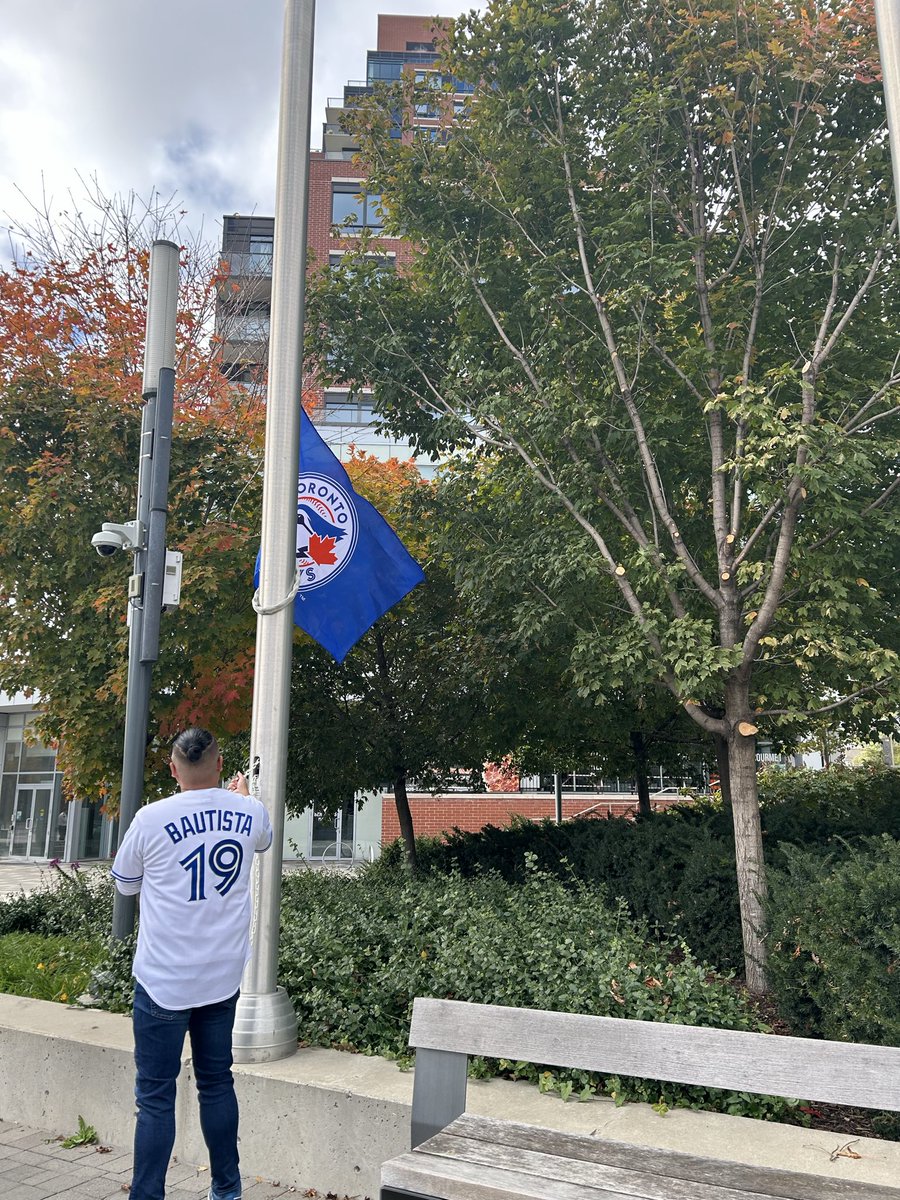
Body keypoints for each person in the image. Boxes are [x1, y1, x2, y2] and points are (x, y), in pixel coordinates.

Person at [111, 728, 273, 1200]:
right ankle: (227, 1190)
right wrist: (241, 798)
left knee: (156, 1099)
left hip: (163, 980)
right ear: (220, 765)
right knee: (217, 1083)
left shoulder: (151, 818)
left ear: (173, 769)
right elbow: (260, 842)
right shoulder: (249, 811)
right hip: (221, 981)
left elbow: (125, 884)